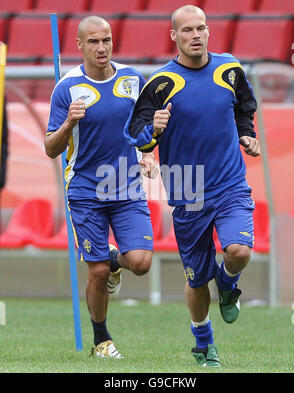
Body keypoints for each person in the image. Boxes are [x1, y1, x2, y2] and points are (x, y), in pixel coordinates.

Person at [124, 5, 261, 367]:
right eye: (187, 30)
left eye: (201, 28)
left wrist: (247, 135)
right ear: (174, 36)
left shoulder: (230, 68)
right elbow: (135, 137)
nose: (196, 35)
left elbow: (244, 108)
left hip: (231, 184)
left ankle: (229, 284)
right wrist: (152, 129)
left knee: (239, 251)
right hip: (188, 191)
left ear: (208, 30)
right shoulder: (160, 83)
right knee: (197, 279)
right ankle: (203, 342)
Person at [44, 16, 158, 358]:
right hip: (84, 189)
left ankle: (114, 260)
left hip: (126, 186)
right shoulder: (67, 88)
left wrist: (145, 152)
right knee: (94, 271)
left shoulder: (132, 79)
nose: (102, 47)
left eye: (106, 39)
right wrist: (68, 122)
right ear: (79, 46)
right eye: (93, 41)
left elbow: (139, 130)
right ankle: (102, 340)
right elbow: (51, 147)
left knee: (140, 262)